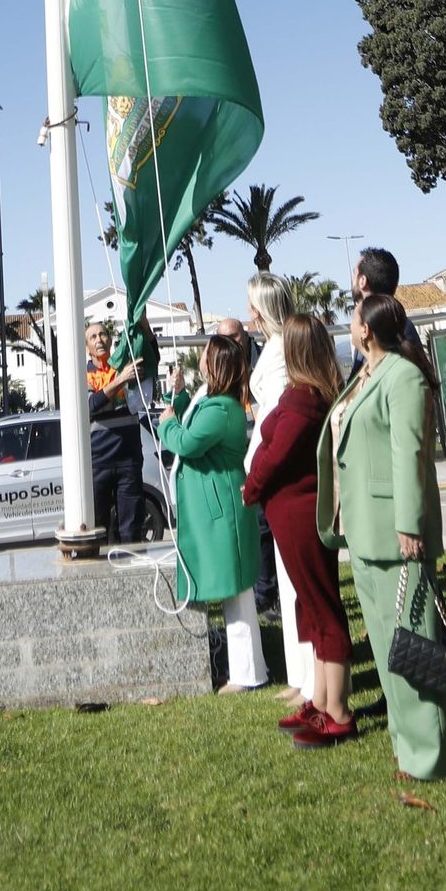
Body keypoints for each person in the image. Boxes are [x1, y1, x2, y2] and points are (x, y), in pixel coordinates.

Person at [317, 273, 446, 778]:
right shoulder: (367, 373)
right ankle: (405, 741)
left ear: (367, 331)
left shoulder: (402, 375)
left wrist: (409, 524)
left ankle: (430, 753)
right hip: (365, 531)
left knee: (413, 644)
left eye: (353, 317)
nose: (349, 323)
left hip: (398, 534)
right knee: (385, 647)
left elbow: (409, 453)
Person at [244, 310, 352, 745]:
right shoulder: (306, 392)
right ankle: (323, 701)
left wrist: (250, 487)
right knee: (312, 608)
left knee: (322, 608)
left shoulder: (304, 399)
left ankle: (339, 710)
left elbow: (275, 455)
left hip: (299, 511)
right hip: (291, 510)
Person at [158, 332, 268, 690]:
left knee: (237, 593)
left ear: (216, 363)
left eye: (206, 353)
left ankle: (248, 674)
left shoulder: (222, 408)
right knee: (234, 592)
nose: (201, 357)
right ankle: (244, 671)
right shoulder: (214, 401)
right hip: (215, 510)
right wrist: (178, 398)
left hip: (222, 510)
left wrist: (166, 425)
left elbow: (187, 442)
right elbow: (191, 420)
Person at [245, 272, 313, 696]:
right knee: (290, 586)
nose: (248, 313)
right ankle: (300, 673)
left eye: (252, 305)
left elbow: (276, 420)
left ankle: (308, 676)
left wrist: (257, 471)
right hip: (272, 476)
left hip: (284, 477)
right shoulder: (274, 347)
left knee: (298, 587)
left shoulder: (281, 351)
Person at [86, 319, 147, 544]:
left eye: (102, 334)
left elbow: (150, 357)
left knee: (131, 529)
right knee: (98, 528)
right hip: (98, 461)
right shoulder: (84, 374)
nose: (99, 340)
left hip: (128, 459)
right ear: (87, 347)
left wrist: (143, 324)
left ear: (111, 340)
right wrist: (121, 380)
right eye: (92, 337)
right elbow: (91, 405)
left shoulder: (124, 366)